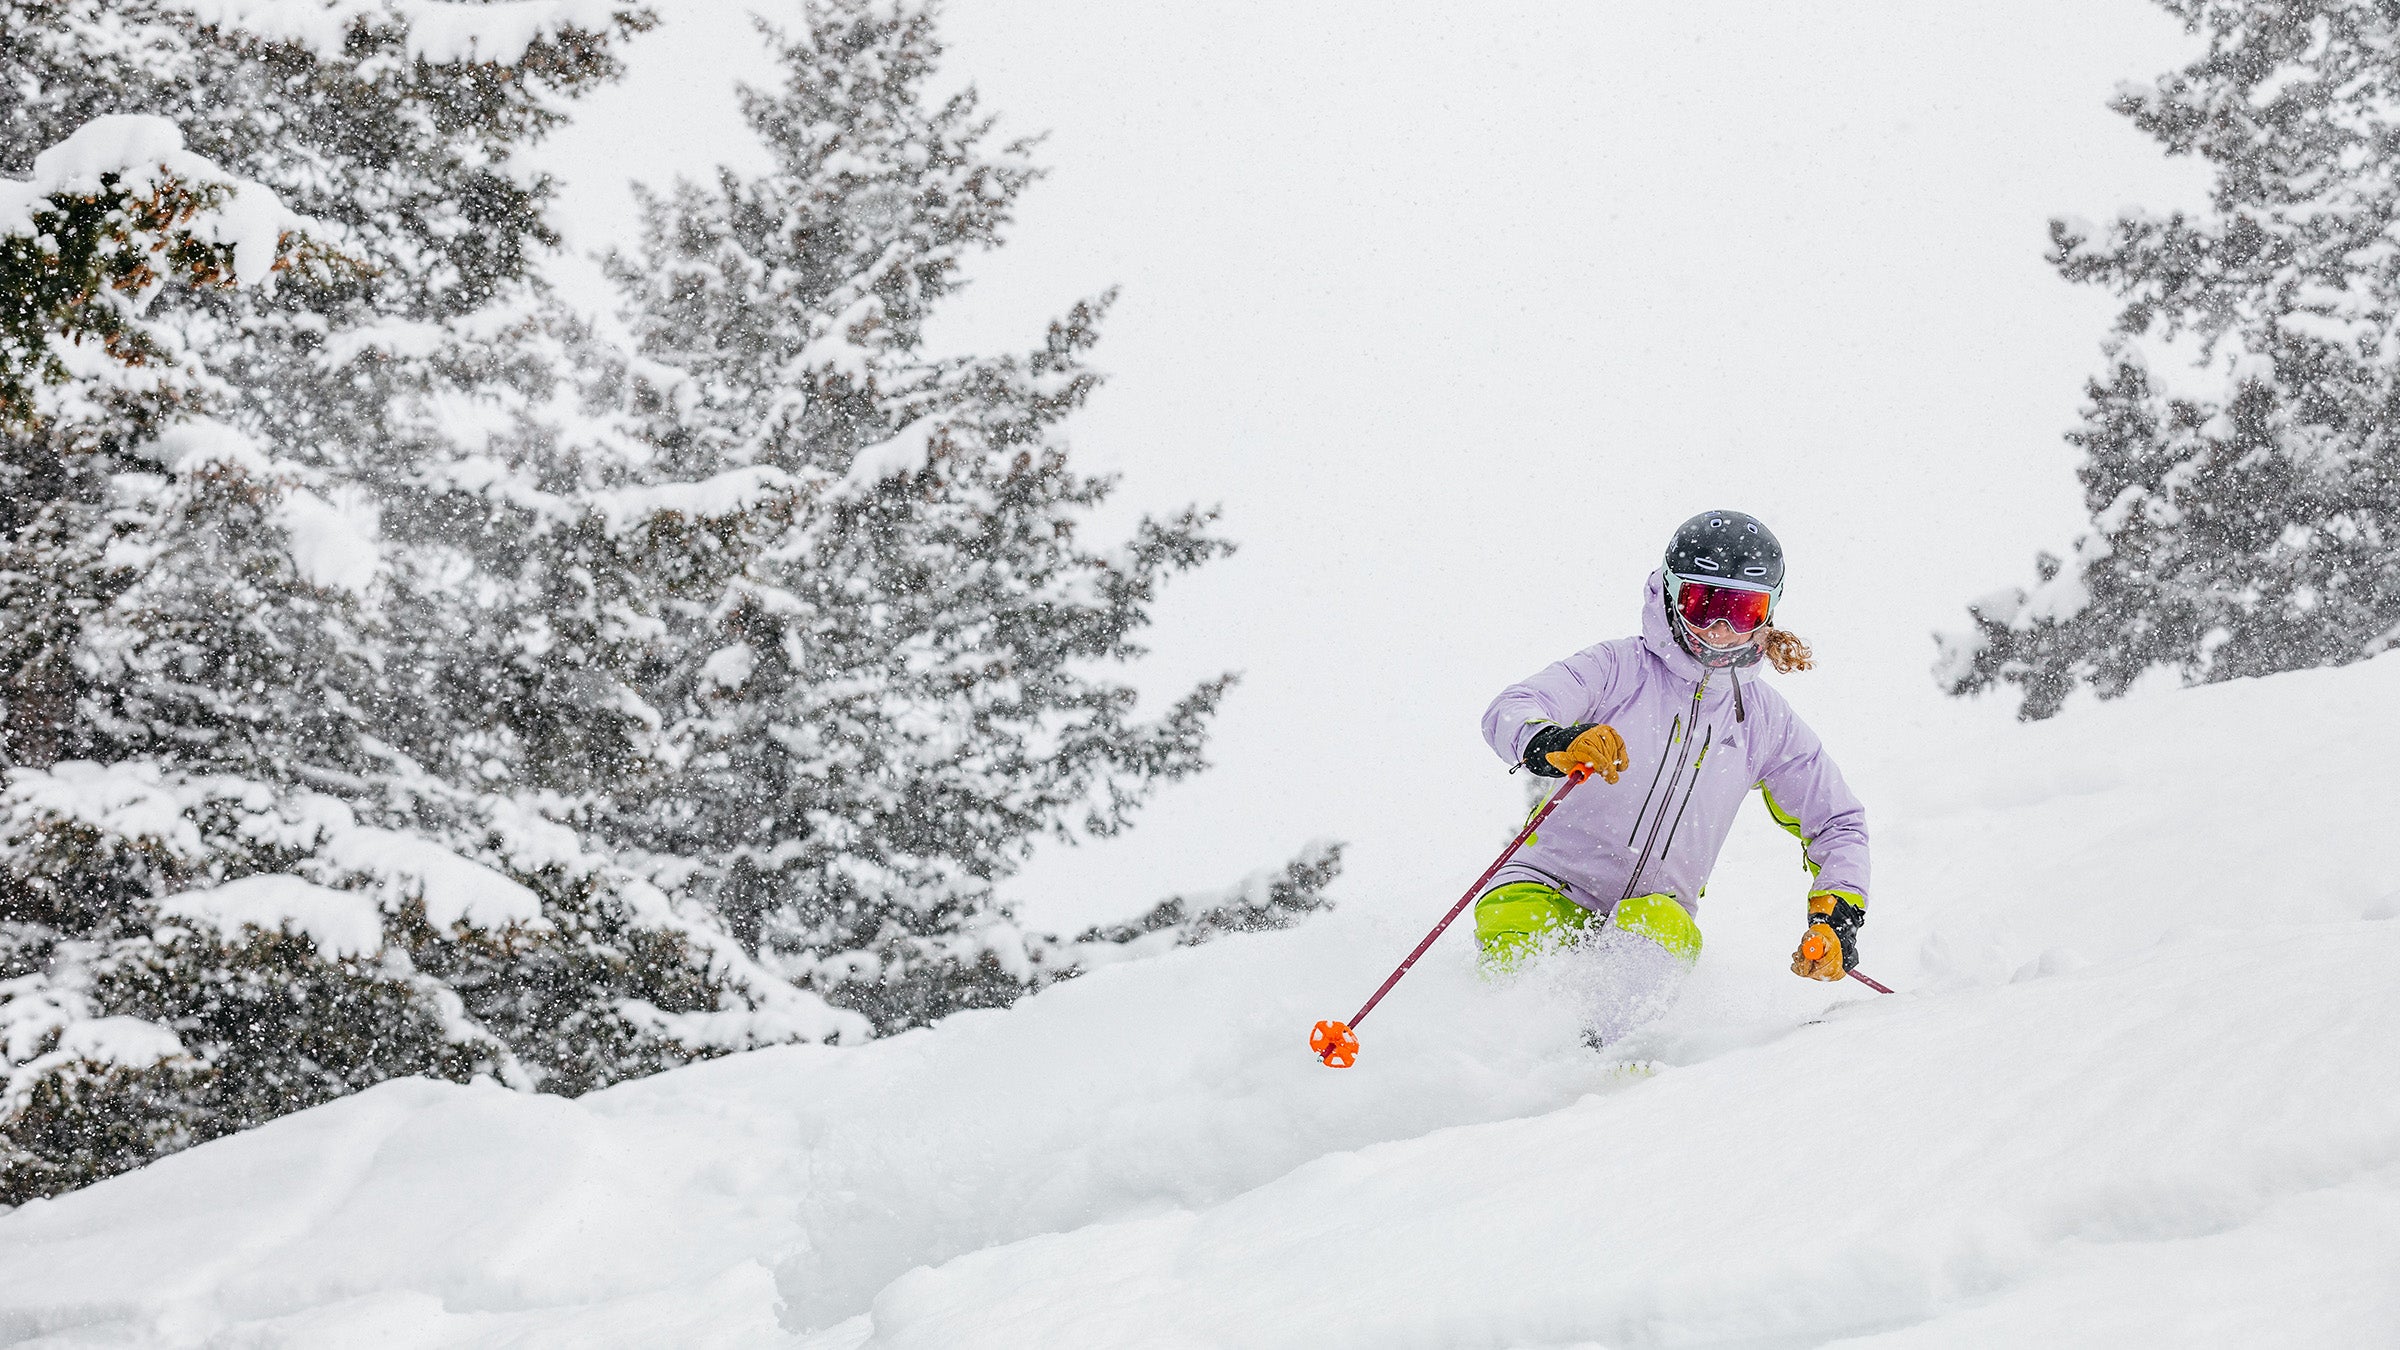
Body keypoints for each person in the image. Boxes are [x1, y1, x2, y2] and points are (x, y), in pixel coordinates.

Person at [1476, 510, 1869, 1020]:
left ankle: (1623, 1072)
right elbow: (1512, 707)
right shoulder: (1617, 668)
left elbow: (1838, 821)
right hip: (1546, 883)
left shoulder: (1764, 720)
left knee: (1660, 927)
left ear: (1768, 615)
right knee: (1522, 938)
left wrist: (1836, 916)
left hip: (1655, 905)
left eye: (1742, 610)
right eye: (1703, 604)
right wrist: (1555, 740)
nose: (1721, 630)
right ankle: (1507, 1054)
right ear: (1669, 594)